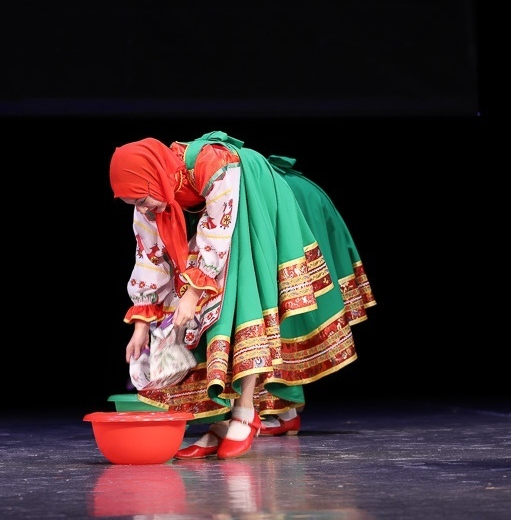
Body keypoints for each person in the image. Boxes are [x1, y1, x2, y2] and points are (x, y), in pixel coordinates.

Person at [108, 131, 364, 459]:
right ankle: (227, 419)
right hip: (217, 220)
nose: (142, 208)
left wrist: (192, 296)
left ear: (154, 177)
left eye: (141, 200)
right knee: (189, 307)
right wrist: (141, 324)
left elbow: (216, 234)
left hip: (253, 195)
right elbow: (148, 254)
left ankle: (245, 412)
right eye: (134, 204)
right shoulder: (150, 194)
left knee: (239, 296)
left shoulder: (212, 163)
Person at [261, 154, 376, 435]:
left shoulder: (270, 189)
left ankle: (282, 410)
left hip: (293, 257)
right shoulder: (301, 185)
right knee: (285, 325)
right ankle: (282, 411)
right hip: (315, 251)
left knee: (276, 324)